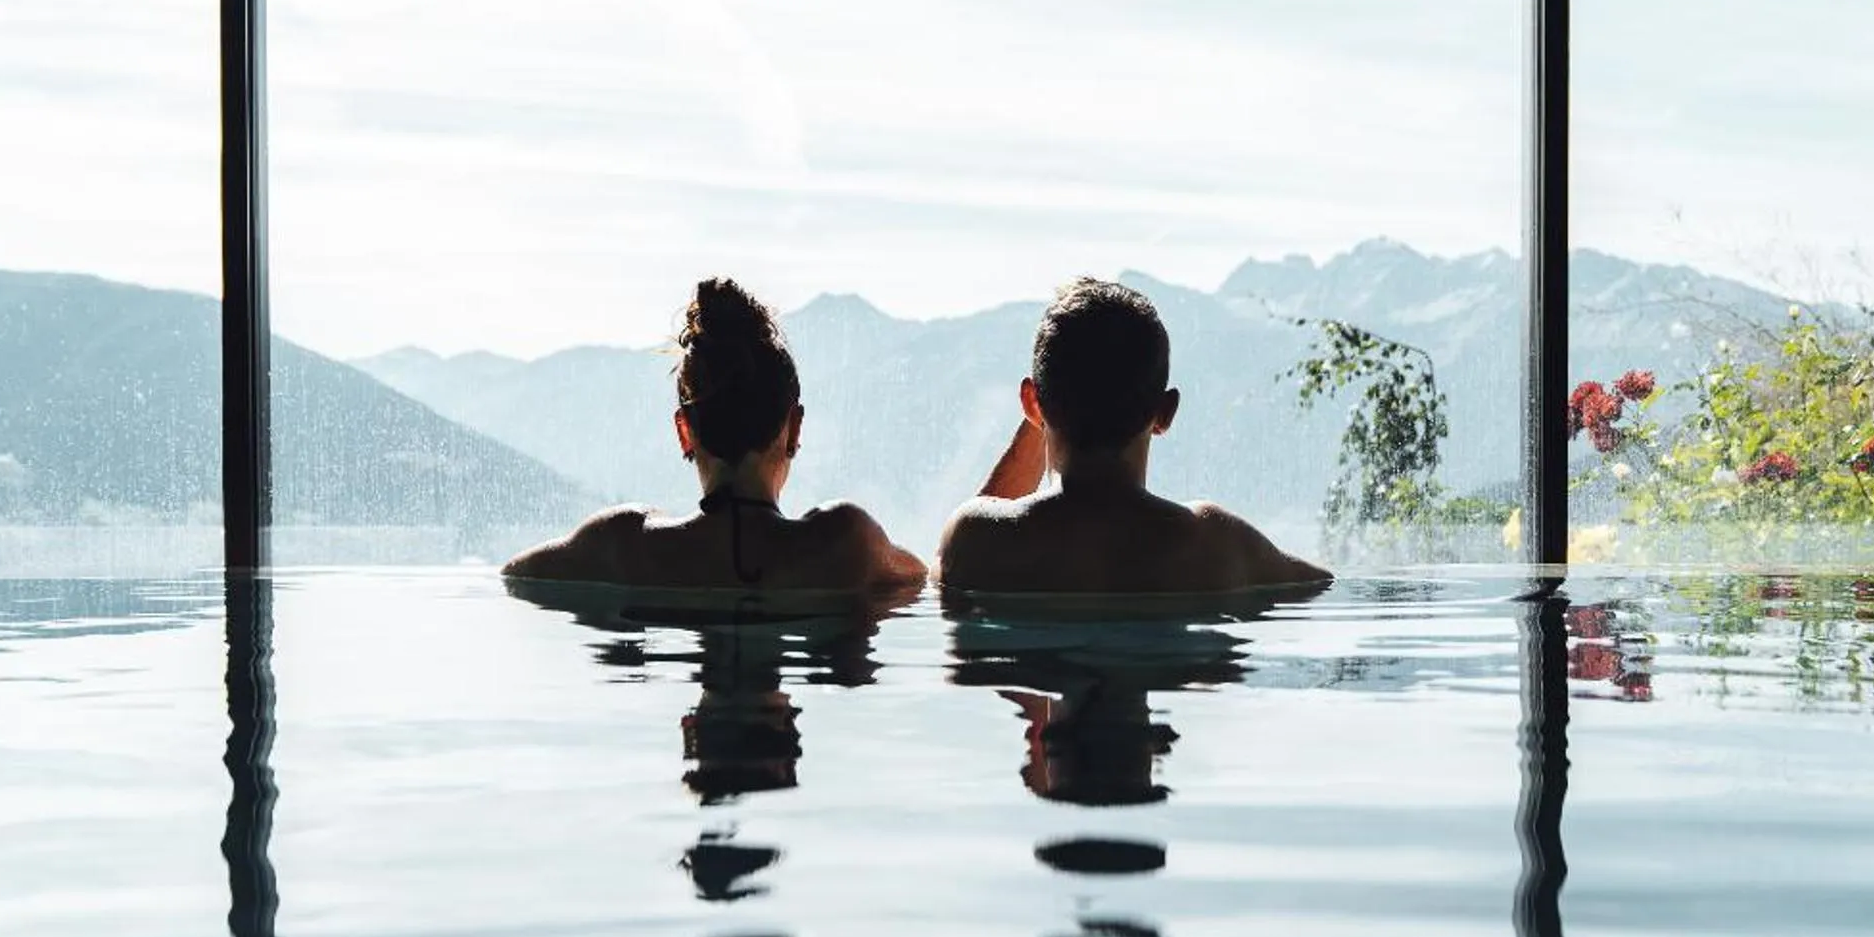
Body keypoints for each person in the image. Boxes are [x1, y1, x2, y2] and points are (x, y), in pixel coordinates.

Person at [503, 277, 927, 591]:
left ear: (684, 431)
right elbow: (936, 579)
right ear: (794, 428)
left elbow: (514, 575)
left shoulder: (621, 546)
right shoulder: (845, 545)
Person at [937, 276, 1330, 596]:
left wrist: (1045, 409)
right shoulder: (1215, 544)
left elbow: (954, 561)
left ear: (1030, 403)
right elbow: (1322, 583)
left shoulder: (978, 541)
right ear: (1165, 412)